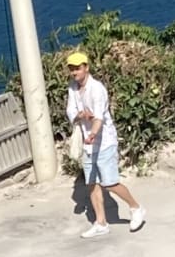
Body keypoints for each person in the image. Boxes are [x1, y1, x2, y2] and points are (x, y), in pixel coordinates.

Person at [63, 48, 147, 238]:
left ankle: (136, 207)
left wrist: (93, 133)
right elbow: (71, 112)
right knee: (92, 183)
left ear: (86, 67)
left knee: (109, 183)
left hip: (104, 142)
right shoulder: (73, 88)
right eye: (71, 69)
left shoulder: (97, 89)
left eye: (77, 68)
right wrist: (80, 116)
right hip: (88, 143)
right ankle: (101, 223)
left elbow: (99, 117)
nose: (74, 72)